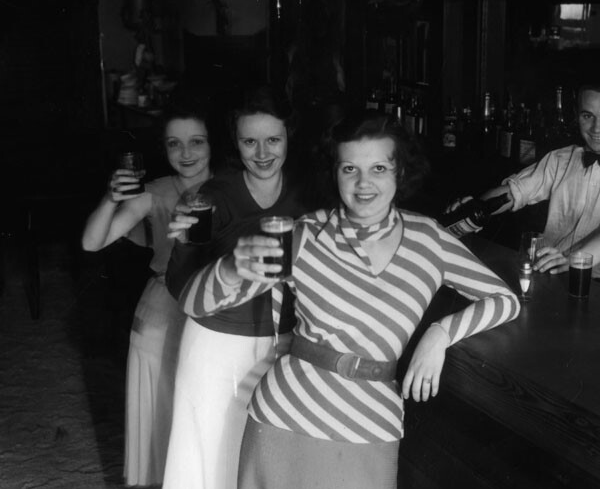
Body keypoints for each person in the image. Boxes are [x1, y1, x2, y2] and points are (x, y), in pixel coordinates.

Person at [177, 110, 520, 489]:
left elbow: (504, 299)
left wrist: (440, 334)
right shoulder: (304, 234)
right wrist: (228, 269)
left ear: (400, 173)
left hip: (372, 423)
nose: (363, 184)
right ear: (334, 173)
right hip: (286, 417)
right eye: (349, 170)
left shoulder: (431, 241)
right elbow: (194, 305)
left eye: (378, 169)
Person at [161, 84, 308, 489]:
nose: (262, 154)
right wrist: (182, 242)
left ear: (288, 136)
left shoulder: (309, 193)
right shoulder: (210, 197)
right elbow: (180, 286)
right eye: (249, 141)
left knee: (267, 463)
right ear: (236, 143)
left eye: (273, 140)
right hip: (216, 345)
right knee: (209, 455)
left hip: (285, 344)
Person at [81, 102, 214, 487]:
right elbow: (92, 242)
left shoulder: (233, 188)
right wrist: (110, 197)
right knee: (163, 421)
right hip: (164, 310)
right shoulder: (155, 192)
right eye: (175, 144)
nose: (186, 154)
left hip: (217, 313)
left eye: (197, 142)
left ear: (213, 145)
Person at [451, 74, 600, 295]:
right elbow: (514, 192)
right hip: (553, 281)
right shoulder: (560, 159)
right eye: (587, 115)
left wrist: (572, 259)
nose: (596, 128)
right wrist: (475, 207)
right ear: (577, 115)